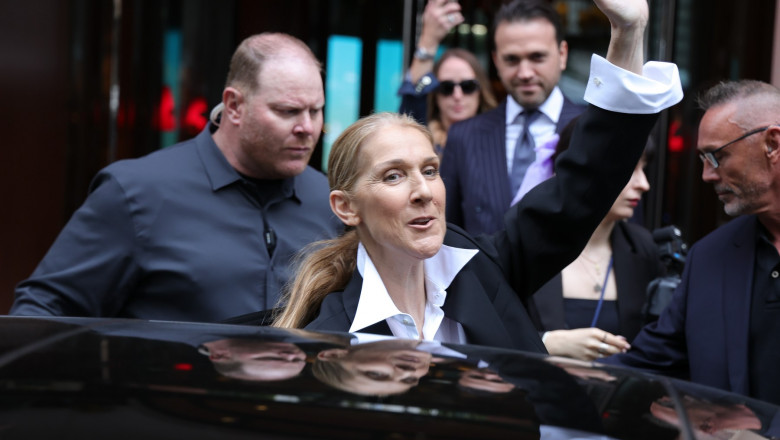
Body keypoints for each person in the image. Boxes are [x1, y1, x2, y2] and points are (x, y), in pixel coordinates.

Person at [269, 0, 682, 352]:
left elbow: (583, 186)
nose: (423, 192)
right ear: (345, 206)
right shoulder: (326, 340)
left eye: (430, 170)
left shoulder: (484, 270)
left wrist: (628, 31)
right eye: (393, 176)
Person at [10, 33, 343, 322]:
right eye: (288, 111)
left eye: (316, 110)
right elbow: (41, 311)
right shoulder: (136, 192)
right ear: (234, 106)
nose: (308, 128)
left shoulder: (331, 201)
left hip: (296, 394)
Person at [601, 80, 780, 407]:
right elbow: (644, 364)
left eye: (717, 156)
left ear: (773, 144)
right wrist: (535, 377)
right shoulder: (711, 257)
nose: (707, 175)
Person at [441, 0, 586, 236]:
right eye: (512, 60)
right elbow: (447, 234)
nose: (525, 73)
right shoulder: (463, 137)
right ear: (496, 61)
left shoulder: (591, 130)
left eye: (537, 57)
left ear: (562, 54)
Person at [528, 119, 662, 361]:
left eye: (644, 169)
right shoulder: (525, 247)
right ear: (580, 170)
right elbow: (488, 335)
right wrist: (548, 342)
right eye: (630, 168)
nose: (644, 184)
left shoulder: (644, 250)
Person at [398, 0, 497, 155]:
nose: (457, 95)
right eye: (446, 88)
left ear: (481, 91)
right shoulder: (421, 142)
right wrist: (428, 40)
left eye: (467, 86)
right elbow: (413, 97)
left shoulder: (499, 141)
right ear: (435, 95)